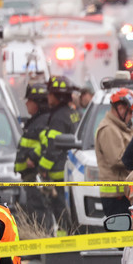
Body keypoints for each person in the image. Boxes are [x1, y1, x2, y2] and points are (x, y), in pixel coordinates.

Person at [39, 76, 81, 231]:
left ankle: (65, 246)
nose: (48, 97)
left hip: (58, 173)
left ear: (58, 96)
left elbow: (53, 148)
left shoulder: (58, 117)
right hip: (70, 170)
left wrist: (43, 169)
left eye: (50, 94)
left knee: (61, 213)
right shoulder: (73, 113)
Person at [95, 89, 133, 216]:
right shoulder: (109, 129)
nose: (132, 116)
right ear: (120, 108)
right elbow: (118, 160)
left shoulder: (122, 128)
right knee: (120, 234)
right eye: (130, 111)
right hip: (115, 196)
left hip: (124, 194)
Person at [14, 83, 53, 230]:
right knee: (35, 209)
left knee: (39, 210)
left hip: (35, 174)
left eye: (29, 100)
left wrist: (32, 157)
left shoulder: (42, 121)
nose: (26, 103)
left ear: (37, 102)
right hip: (31, 175)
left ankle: (41, 237)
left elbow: (47, 142)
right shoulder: (38, 120)